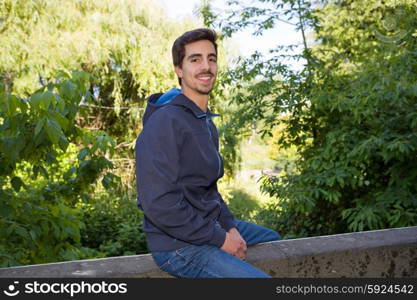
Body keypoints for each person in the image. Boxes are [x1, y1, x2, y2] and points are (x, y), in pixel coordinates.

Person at [135, 28, 281, 278]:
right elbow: (159, 203)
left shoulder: (204, 121)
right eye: (195, 59)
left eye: (211, 58)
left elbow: (209, 189)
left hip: (206, 225)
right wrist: (220, 239)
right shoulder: (165, 122)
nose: (206, 66)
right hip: (178, 245)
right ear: (179, 70)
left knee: (273, 240)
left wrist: (229, 227)